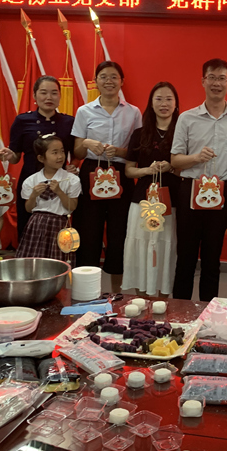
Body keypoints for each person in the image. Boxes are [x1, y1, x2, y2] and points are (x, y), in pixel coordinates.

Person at [171, 58, 227, 301]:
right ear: (203, 81)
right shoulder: (187, 118)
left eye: (222, 78)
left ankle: (208, 312)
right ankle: (180, 312)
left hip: (223, 192)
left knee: (212, 258)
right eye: (212, 78)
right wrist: (196, 158)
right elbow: (175, 160)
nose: (217, 83)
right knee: (185, 257)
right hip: (190, 191)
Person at [72, 61, 142, 287]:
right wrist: (87, 143)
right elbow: (77, 151)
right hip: (91, 171)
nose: (109, 81)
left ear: (122, 81)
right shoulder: (84, 111)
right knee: (88, 231)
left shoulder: (133, 112)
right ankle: (86, 291)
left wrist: (120, 151)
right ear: (95, 82)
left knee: (119, 233)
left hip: (121, 173)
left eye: (114, 77)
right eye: (103, 77)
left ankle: (117, 292)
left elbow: (138, 151)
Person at [0, 76, 75, 239]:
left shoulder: (69, 121)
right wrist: (9, 155)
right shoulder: (22, 120)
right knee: (27, 228)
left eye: (54, 93)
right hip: (31, 180)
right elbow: (15, 157)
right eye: (43, 93)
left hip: (60, 182)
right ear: (34, 95)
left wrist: (73, 167)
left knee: (59, 231)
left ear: (60, 95)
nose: (49, 97)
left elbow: (75, 154)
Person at [123, 82, 181, 297]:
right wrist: (148, 170)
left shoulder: (183, 132)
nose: (164, 104)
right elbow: (129, 171)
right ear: (151, 103)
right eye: (159, 99)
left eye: (168, 99)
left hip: (172, 202)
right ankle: (141, 299)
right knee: (140, 247)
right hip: (142, 202)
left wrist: (171, 167)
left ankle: (164, 299)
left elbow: (189, 168)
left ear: (176, 104)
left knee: (166, 248)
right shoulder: (140, 134)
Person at [17, 134, 81, 262]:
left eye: (62, 151)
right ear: (41, 158)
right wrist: (34, 195)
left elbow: (72, 207)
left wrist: (59, 192)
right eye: (55, 152)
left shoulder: (72, 179)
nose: (60, 156)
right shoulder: (31, 180)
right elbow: (28, 209)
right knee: (34, 261)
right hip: (36, 224)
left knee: (58, 262)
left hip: (59, 224)